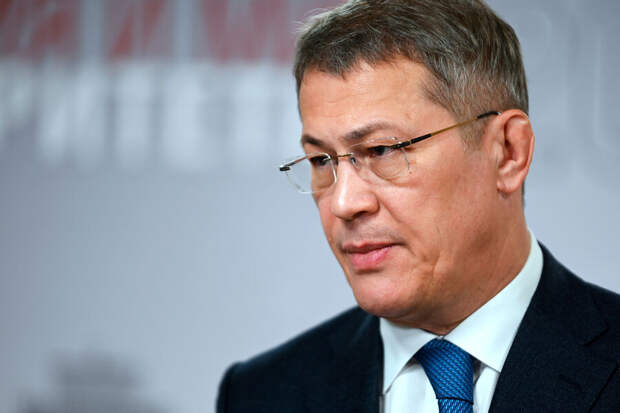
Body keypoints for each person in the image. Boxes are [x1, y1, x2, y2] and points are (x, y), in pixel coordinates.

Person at [217, 0, 620, 411]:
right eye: (322, 160)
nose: (343, 202)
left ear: (507, 152)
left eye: (382, 150)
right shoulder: (260, 395)